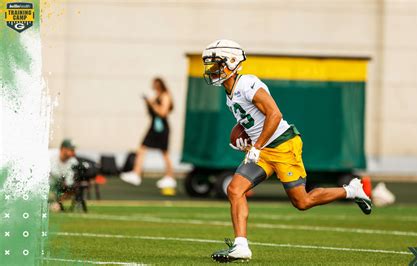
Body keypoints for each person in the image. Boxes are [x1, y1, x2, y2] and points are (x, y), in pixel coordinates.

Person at [202, 40, 372, 263]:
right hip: (262, 149)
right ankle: (241, 246)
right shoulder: (229, 93)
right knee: (235, 189)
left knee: (302, 202)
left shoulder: (248, 84)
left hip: (283, 144)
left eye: (217, 64)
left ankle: (352, 190)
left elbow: (275, 115)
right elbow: (248, 122)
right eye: (211, 65)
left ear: (232, 63)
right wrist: (243, 140)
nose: (212, 70)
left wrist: (256, 146)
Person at [120, 78, 176, 191]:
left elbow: (163, 112)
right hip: (154, 126)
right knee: (142, 148)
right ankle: (136, 173)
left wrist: (152, 104)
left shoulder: (165, 96)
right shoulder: (156, 96)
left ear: (159, 84)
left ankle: (170, 177)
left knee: (164, 153)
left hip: (161, 128)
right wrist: (148, 102)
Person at [49, 139, 79, 211]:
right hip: (48, 187)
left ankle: (56, 203)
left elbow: (70, 182)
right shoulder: (50, 157)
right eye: (71, 149)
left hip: (60, 188)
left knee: (72, 188)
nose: (73, 152)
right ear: (63, 149)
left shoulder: (74, 162)